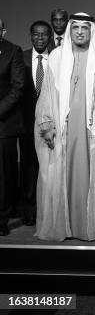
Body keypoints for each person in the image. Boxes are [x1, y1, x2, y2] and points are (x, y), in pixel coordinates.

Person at [34, 13, 95, 241]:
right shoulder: (56, 57)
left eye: (85, 28)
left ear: (91, 31)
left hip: (91, 131)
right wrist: (47, 123)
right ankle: (63, 226)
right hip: (64, 129)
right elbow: (46, 93)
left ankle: (88, 226)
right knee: (60, 175)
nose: (80, 32)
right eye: (76, 28)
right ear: (69, 31)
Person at [18, 21, 51, 226]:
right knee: (28, 166)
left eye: (44, 35)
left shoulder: (57, 58)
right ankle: (28, 209)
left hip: (50, 123)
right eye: (36, 34)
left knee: (48, 168)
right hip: (25, 121)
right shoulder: (19, 57)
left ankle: (46, 209)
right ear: (31, 36)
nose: (40, 38)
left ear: (49, 37)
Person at [0, 18, 25, 236]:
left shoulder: (12, 51)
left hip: (3, 125)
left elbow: (17, 88)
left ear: (3, 31)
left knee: (3, 176)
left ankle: (1, 219)